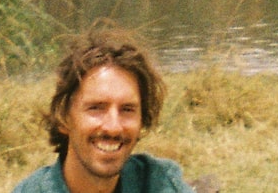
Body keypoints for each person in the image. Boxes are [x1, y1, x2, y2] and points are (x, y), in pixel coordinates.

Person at [13, 27, 198, 193]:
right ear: (63, 118)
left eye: (127, 109)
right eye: (96, 108)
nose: (113, 127)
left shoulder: (159, 183)